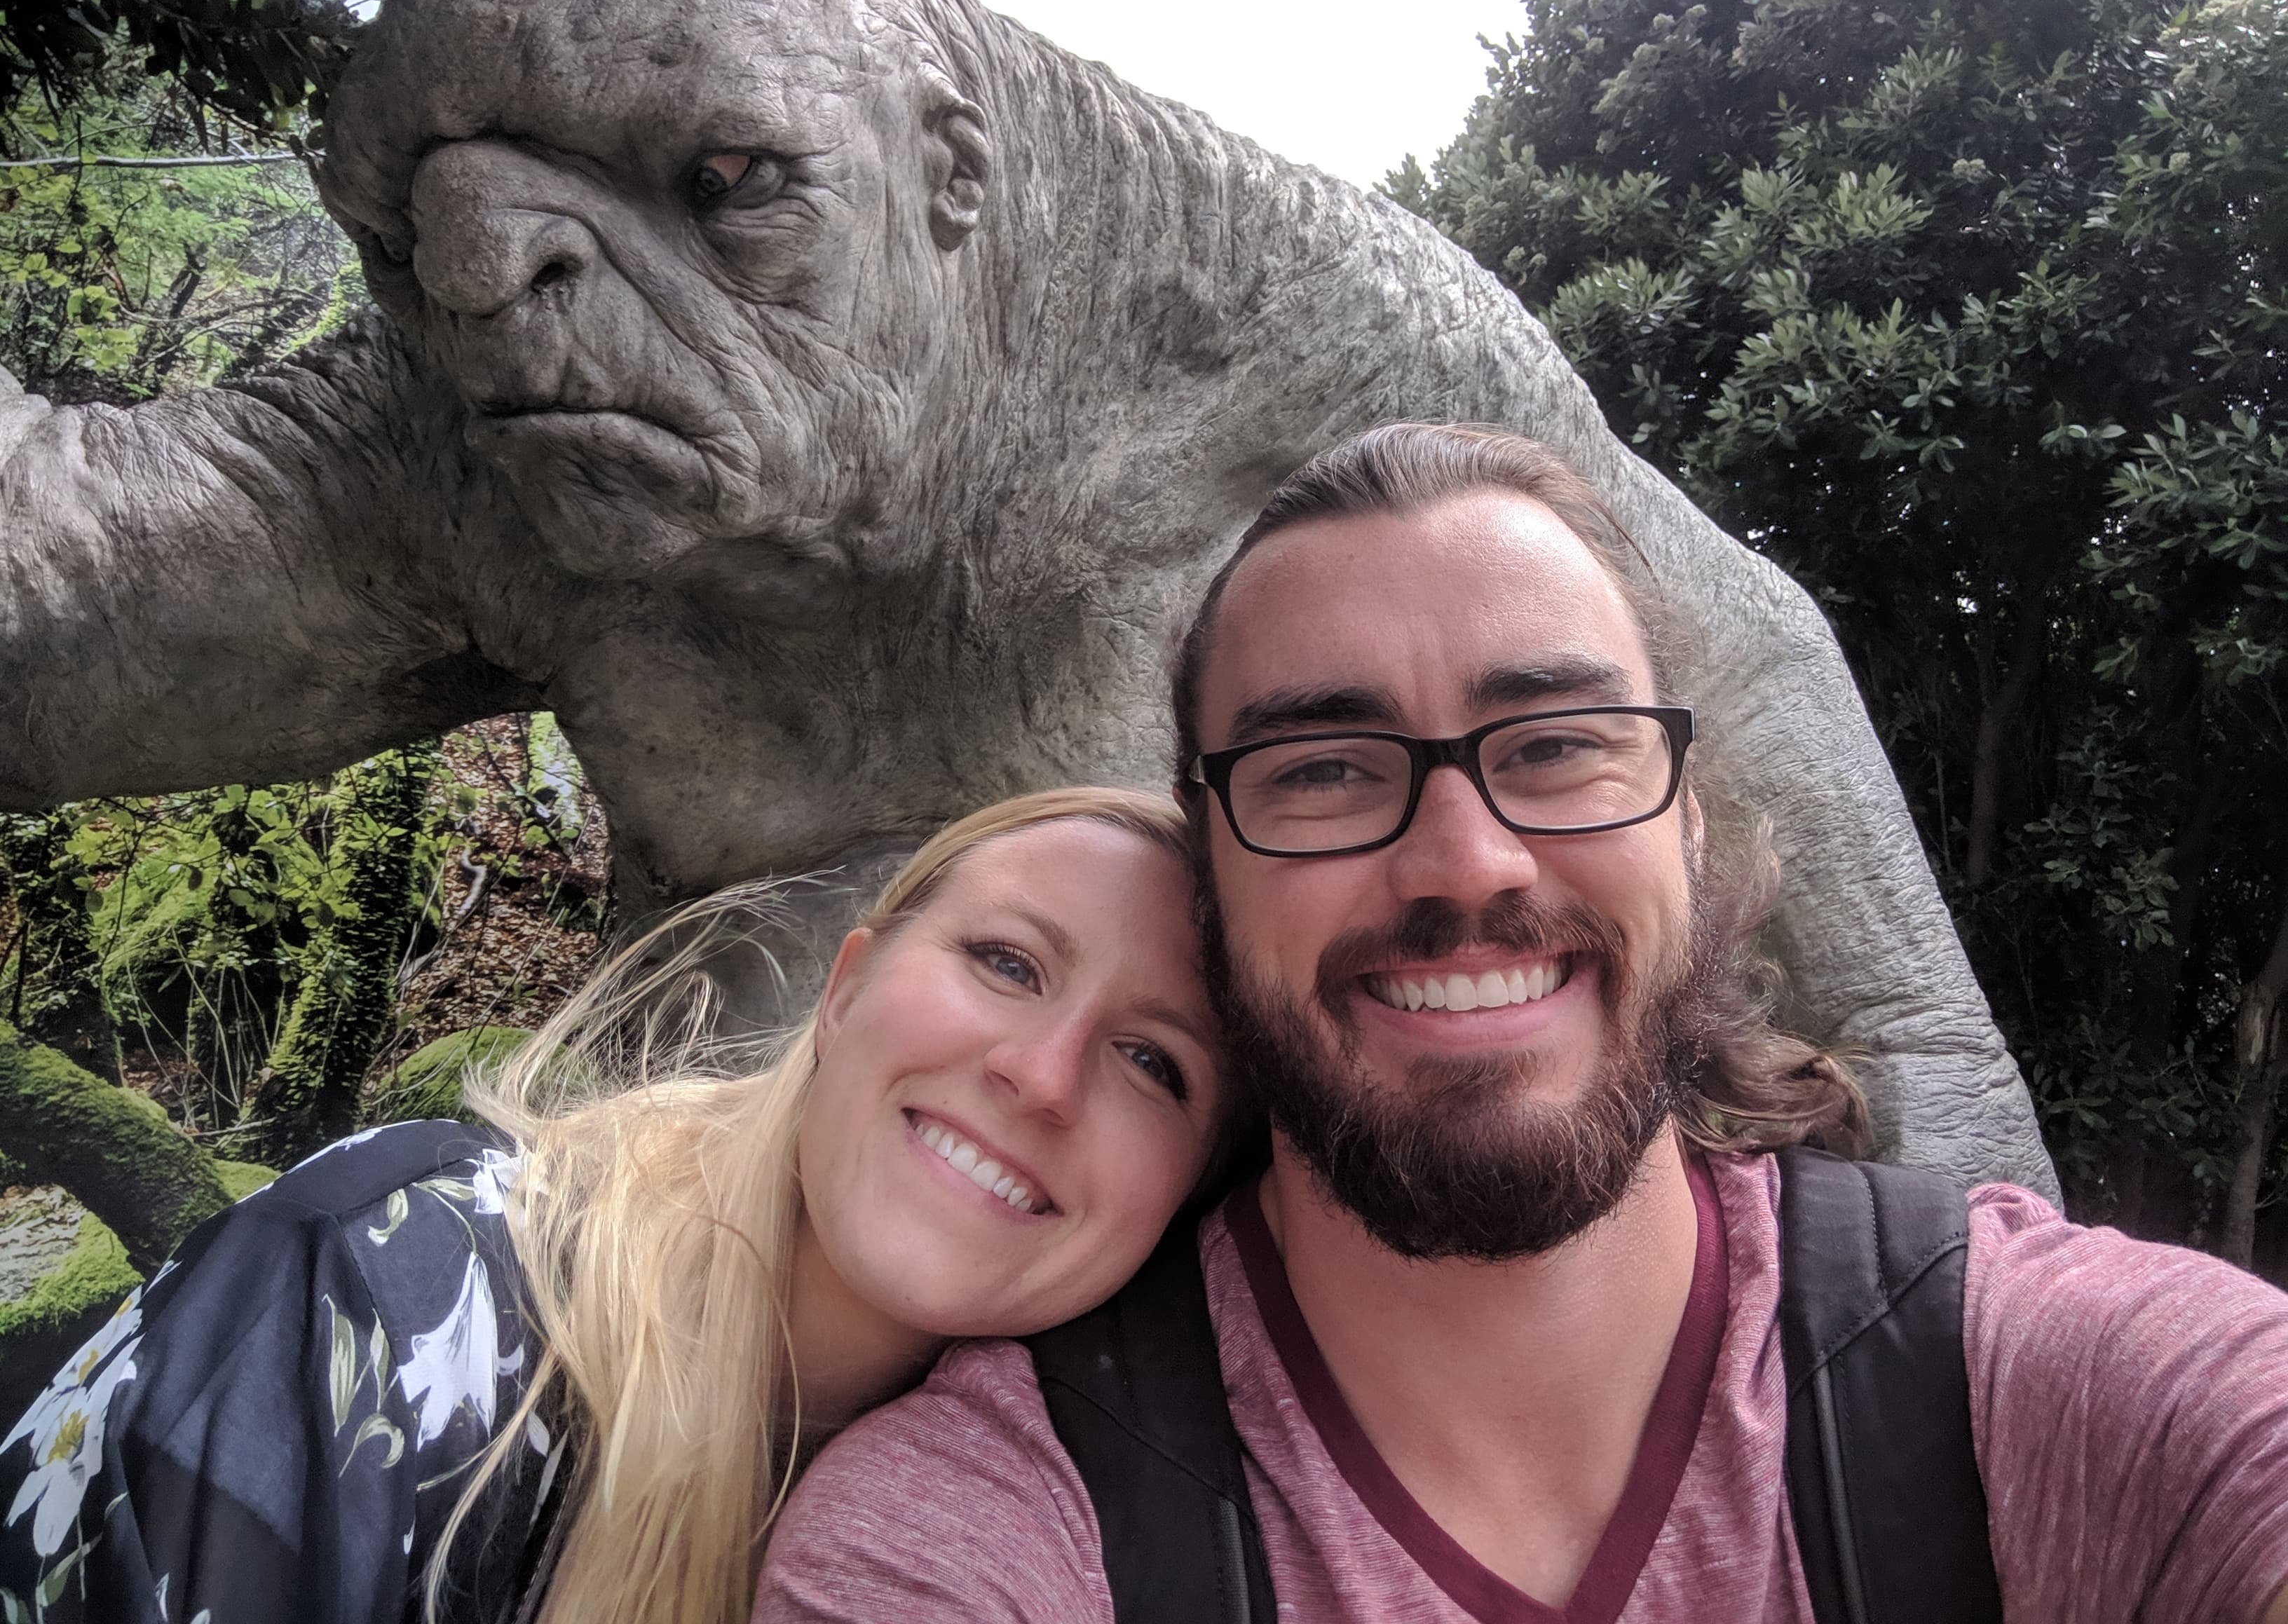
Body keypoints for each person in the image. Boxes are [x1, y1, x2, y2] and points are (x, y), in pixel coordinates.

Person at [756, 423, 2288, 1623]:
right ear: (1209, 887)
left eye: (1557, 746)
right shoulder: (993, 1523)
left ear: (1686, 820)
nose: (1466, 863)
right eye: (1326, 772)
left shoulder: (2051, 1384)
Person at [0, 786, 1237, 1624]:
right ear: (847, 989)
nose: (1042, 1073)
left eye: (1154, 1063)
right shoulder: (385, 1298)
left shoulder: (1083, 1523)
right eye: (1006, 963)